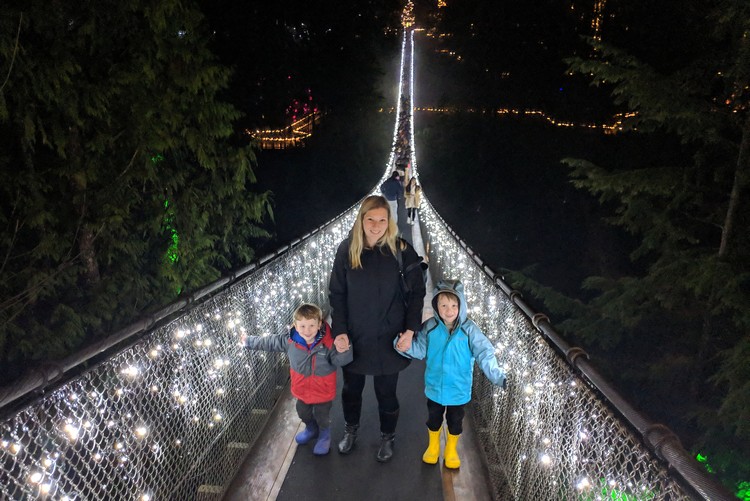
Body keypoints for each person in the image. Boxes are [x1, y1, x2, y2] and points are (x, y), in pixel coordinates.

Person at [329, 195, 426, 462]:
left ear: (389, 221)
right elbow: (337, 293)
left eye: (382, 219)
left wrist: (410, 330)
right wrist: (339, 331)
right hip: (355, 336)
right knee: (351, 389)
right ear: (361, 219)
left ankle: (387, 437)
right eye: (370, 218)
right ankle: (351, 430)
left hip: (389, 336)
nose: (376, 225)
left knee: (386, 392)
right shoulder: (347, 249)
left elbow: (417, 292)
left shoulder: (401, 250)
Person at [395, 279, 507, 469]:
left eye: (454, 305)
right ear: (436, 305)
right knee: (433, 418)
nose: (449, 310)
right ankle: (433, 447)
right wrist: (401, 346)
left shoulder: (469, 330)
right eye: (444, 305)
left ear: (461, 306)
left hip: (458, 387)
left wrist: (497, 375)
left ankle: (451, 449)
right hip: (435, 385)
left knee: (455, 421)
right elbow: (420, 350)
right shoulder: (429, 327)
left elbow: (484, 352)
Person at [240, 303, 352, 455]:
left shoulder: (328, 344)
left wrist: (344, 350)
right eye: (303, 326)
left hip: (323, 391)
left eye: (312, 325)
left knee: (322, 416)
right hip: (302, 390)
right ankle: (311, 429)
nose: (307, 330)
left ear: (320, 324)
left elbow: (341, 361)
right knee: (302, 412)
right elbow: (270, 342)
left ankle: (324, 436)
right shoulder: (290, 341)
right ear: (295, 326)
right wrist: (249, 341)